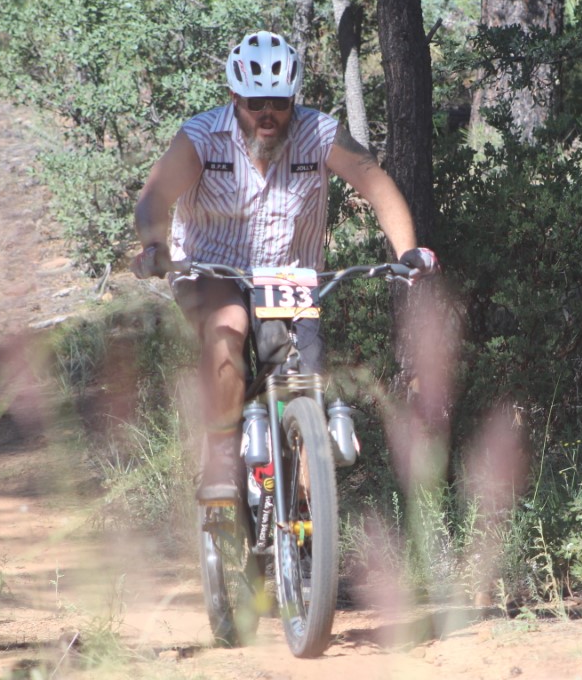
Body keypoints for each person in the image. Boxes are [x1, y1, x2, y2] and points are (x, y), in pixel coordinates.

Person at [132, 30, 438, 501]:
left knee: (304, 380)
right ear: (235, 97)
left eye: (279, 102)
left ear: (294, 98)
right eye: (255, 103)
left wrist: (407, 252)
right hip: (211, 271)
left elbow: (376, 185)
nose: (267, 114)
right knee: (230, 323)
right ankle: (220, 455)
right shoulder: (202, 137)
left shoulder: (320, 133)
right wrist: (154, 246)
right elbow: (154, 198)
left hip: (287, 277)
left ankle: (307, 520)